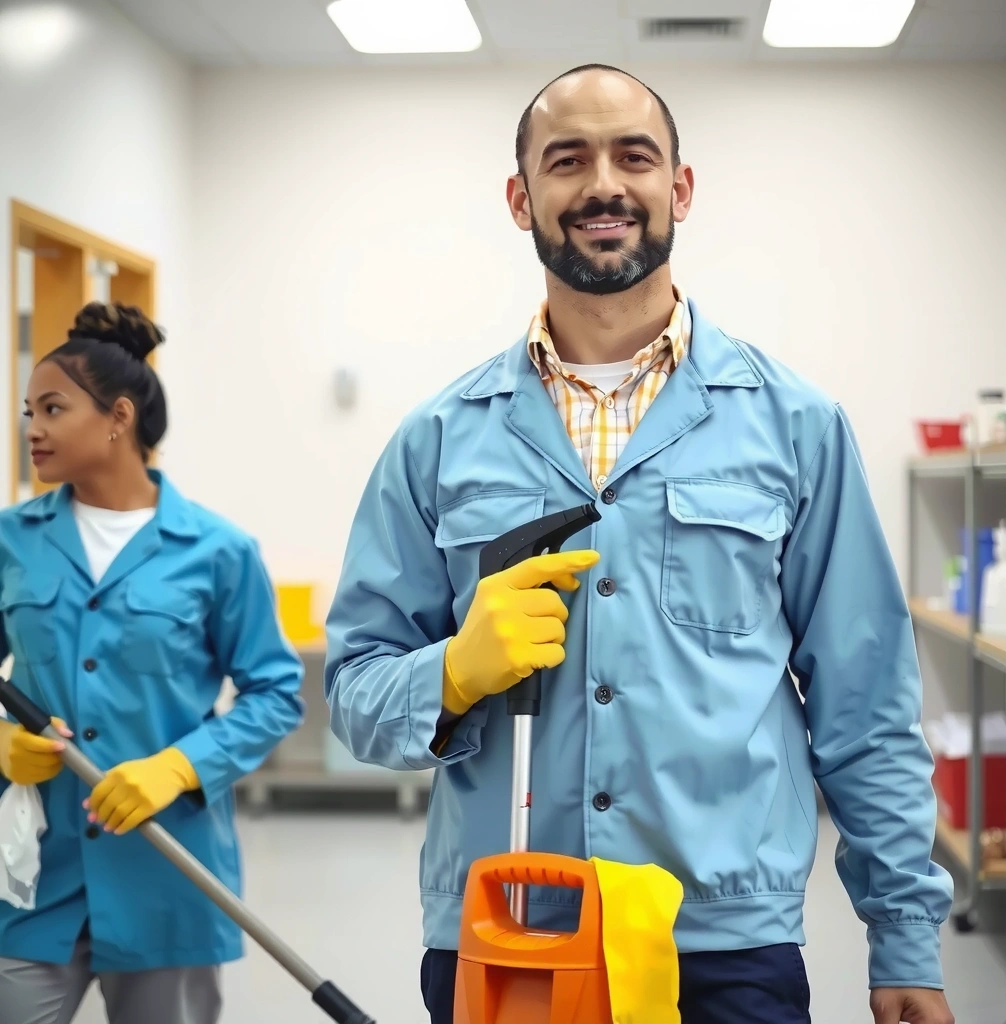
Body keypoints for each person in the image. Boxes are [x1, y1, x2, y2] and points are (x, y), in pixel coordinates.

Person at [324, 64, 955, 1024]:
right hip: (505, 934)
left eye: (635, 156)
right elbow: (354, 693)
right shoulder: (439, 439)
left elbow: (864, 703)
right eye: (566, 160)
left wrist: (903, 936)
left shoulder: (796, 426)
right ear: (520, 196)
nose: (603, 185)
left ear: (681, 187)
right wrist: (452, 673)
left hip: (723, 940)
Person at [0, 301, 304, 1024]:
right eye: (27, 410)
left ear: (119, 417)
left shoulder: (218, 551)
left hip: (168, 870)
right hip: (34, 878)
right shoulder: (12, 541)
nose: (30, 428)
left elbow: (276, 692)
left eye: (51, 408)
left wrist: (180, 766)